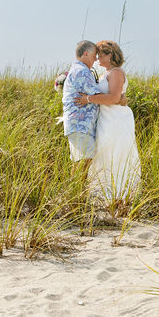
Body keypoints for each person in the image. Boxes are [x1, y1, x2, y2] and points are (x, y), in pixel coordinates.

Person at [74, 40, 141, 209]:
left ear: (110, 55)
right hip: (104, 118)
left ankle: (119, 196)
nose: (97, 59)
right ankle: (102, 195)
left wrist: (87, 99)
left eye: (100, 55)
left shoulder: (116, 72)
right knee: (102, 153)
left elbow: (113, 98)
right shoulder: (105, 73)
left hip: (116, 120)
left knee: (115, 152)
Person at [60, 41, 102, 169]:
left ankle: (76, 188)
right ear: (86, 53)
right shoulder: (82, 71)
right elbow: (98, 95)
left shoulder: (77, 70)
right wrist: (117, 97)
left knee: (81, 162)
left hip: (79, 125)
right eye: (94, 55)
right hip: (80, 124)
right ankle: (76, 189)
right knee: (84, 162)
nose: (96, 59)